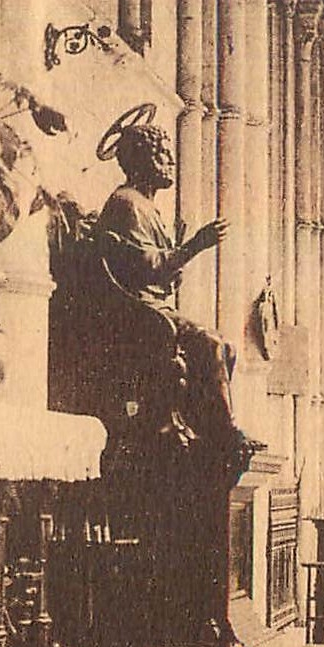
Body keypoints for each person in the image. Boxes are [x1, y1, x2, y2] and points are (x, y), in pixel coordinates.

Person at [94, 121, 255, 477]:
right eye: (162, 154)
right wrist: (193, 246)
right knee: (211, 343)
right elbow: (146, 267)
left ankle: (204, 426)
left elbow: (163, 273)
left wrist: (178, 254)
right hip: (139, 311)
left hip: (155, 306)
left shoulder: (145, 206)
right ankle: (225, 433)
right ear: (141, 158)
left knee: (226, 348)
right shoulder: (127, 203)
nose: (169, 161)